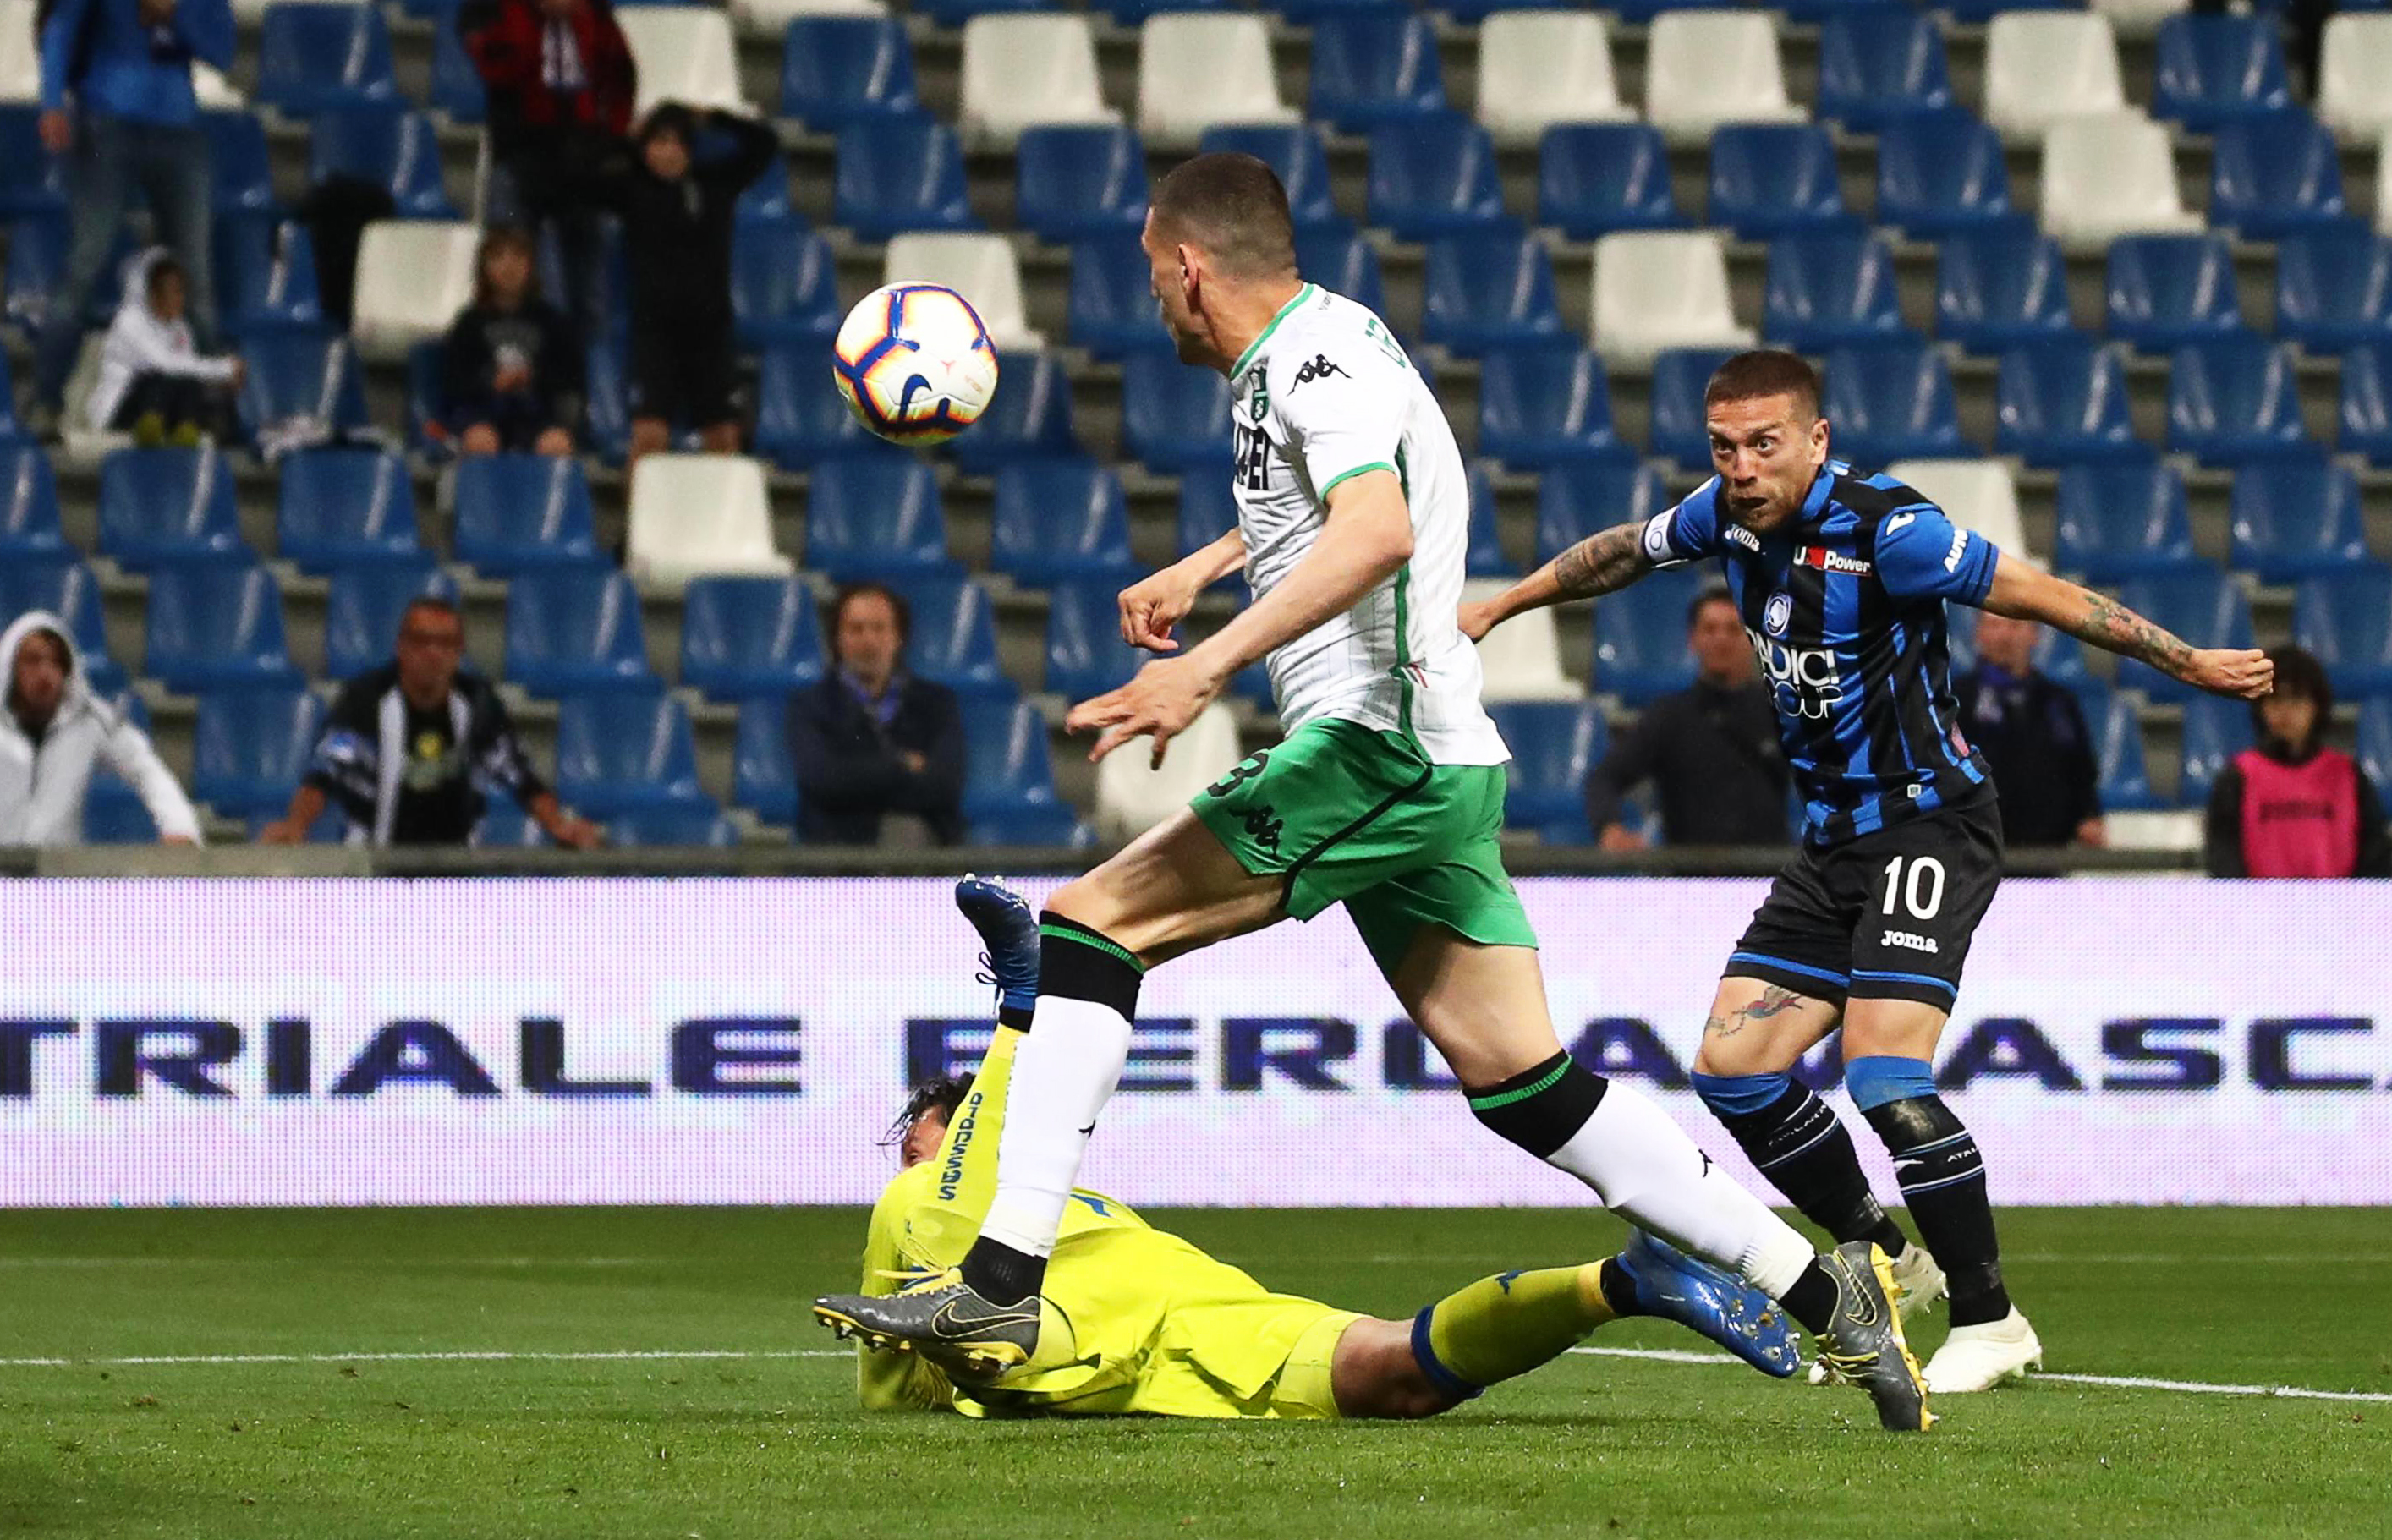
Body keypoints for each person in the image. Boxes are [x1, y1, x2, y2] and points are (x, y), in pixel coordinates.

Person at [813, 157, 1937, 1435]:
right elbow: (1332, 503)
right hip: (1432, 756)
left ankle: (999, 1283)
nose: (1155, 304)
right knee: (1528, 1083)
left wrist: (1201, 670)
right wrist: (1204, 566)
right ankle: (1822, 1286)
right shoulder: (1317, 351)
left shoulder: (1312, 364)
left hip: (1378, 742)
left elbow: (1377, 531)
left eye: (1151, 278)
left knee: (1086, 929)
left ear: (1189, 268)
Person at [1459, 348, 2274, 1396]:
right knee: (1734, 1073)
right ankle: (1886, 1256)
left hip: (1931, 827)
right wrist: (1498, 607)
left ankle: (1991, 1318)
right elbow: (1620, 551)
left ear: (1816, 441)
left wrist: (2190, 663)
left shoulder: (1893, 530)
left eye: (1764, 445)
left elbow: (2045, 597)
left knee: (1885, 1071)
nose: (1742, 467)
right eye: (1724, 447)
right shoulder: (1727, 516)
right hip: (1833, 844)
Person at [826, 880, 1802, 1419]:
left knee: (959, 1257)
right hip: (1172, 1338)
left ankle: (1026, 1004)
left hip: (1101, 1313)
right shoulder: (1022, 1196)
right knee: (1398, 1378)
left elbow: (907, 1386)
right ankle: (1627, 1283)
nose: (922, 1131)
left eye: (937, 1120)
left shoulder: (926, 1196)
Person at [31, 0, 235, 427]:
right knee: (86, 260)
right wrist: (52, 101)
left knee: (194, 271)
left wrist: (176, 16)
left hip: (180, 130)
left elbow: (224, 50)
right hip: (107, 124)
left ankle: (215, 408)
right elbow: (61, 27)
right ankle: (45, 400)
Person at [260, 596, 600, 848]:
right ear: (401, 647)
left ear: (459, 653)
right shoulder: (364, 700)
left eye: (446, 644)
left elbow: (520, 776)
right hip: (374, 867)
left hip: (454, 869)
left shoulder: (478, 703)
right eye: (422, 641)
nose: (433, 654)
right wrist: (296, 823)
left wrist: (557, 823)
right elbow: (324, 773)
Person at [584, 103, 777, 463]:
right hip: (655, 334)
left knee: (722, 438)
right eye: (658, 142)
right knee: (649, 436)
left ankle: (722, 520)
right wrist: (626, 140)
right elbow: (581, 171)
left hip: (711, 331)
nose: (667, 152)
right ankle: (637, 517)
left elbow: (765, 143)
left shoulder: (717, 183)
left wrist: (715, 118)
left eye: (676, 143)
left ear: (689, 149)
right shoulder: (631, 190)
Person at [459, 0, 634, 335]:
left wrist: (612, 135)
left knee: (589, 290)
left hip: (587, 163)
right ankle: (517, 358)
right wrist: (534, 15)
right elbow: (497, 69)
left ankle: (583, 374)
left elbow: (621, 75)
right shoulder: (492, 9)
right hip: (519, 160)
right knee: (509, 274)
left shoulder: (595, 12)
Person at [1585, 588, 1789, 849]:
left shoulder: (1782, 714)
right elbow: (1605, 778)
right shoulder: (1669, 717)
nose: (1721, 639)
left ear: (1753, 641)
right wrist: (1609, 828)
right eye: (1710, 629)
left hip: (1766, 878)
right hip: (1690, 881)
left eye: (1733, 629)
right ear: (1693, 640)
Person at [0, 612, 200, 847]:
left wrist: (179, 825)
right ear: (10, 668)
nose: (45, 673)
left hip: (58, 878)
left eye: (56, 662)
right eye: (33, 661)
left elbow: (145, 767)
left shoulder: (91, 719)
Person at [785, 583, 965, 847]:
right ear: (838, 639)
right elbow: (822, 782)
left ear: (898, 637)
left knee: (907, 832)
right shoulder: (810, 706)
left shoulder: (938, 704)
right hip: (837, 857)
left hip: (923, 856)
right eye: (856, 629)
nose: (868, 641)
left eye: (880, 628)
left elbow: (945, 785)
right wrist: (901, 764)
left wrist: (860, 777)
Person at [2204, 646, 2391, 879]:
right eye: (2275, 698)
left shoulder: (2348, 775)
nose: (2285, 710)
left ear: (2317, 705)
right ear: (2260, 707)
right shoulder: (2237, 777)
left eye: (2297, 698)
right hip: (2260, 911)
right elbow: (2224, 859)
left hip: (2339, 911)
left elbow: (2375, 857)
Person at [1953, 612, 2104, 851]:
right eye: (1994, 625)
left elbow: (2080, 768)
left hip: (2049, 851)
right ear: (1978, 634)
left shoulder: (2059, 701)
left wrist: (2089, 815)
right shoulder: (1955, 701)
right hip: (1975, 849)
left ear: (2035, 635)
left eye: (2014, 625)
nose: (2004, 635)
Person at [438, 226, 584, 458]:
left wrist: (532, 376)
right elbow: (455, 381)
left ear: (532, 265)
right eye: (498, 257)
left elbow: (569, 379)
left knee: (556, 444)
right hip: (482, 413)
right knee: (481, 441)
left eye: (518, 256)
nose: (509, 265)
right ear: (483, 268)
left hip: (538, 414)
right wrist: (491, 381)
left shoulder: (552, 322)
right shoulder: (469, 323)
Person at [84, 247, 242, 444]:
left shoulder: (181, 328)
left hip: (167, 406)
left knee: (190, 384)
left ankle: (187, 430)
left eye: (182, 291)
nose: (180, 299)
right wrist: (224, 368)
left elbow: (188, 368)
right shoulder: (128, 322)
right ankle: (151, 425)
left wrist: (223, 379)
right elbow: (164, 365)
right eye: (174, 292)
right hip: (120, 410)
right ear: (153, 294)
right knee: (158, 381)